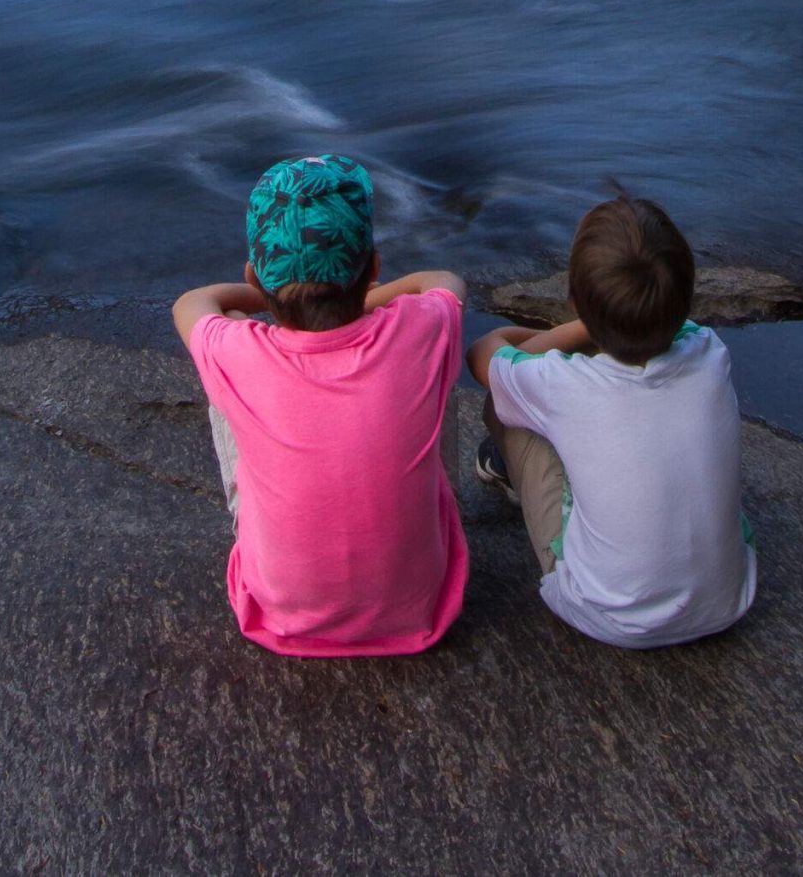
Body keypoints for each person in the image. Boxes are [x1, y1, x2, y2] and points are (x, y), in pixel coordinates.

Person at [172, 153, 468, 657]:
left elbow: (191, 304)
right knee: (438, 364)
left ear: (253, 276)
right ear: (372, 268)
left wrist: (271, 296)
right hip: (418, 610)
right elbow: (443, 282)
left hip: (281, 616)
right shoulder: (419, 327)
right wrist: (369, 299)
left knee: (225, 382)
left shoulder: (242, 352)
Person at [466, 192, 757, 648]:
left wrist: (581, 328)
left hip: (603, 612)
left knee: (506, 408)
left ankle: (508, 473)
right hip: (726, 601)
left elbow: (485, 354)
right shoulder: (711, 352)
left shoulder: (566, 384)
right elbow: (672, 328)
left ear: (575, 300)